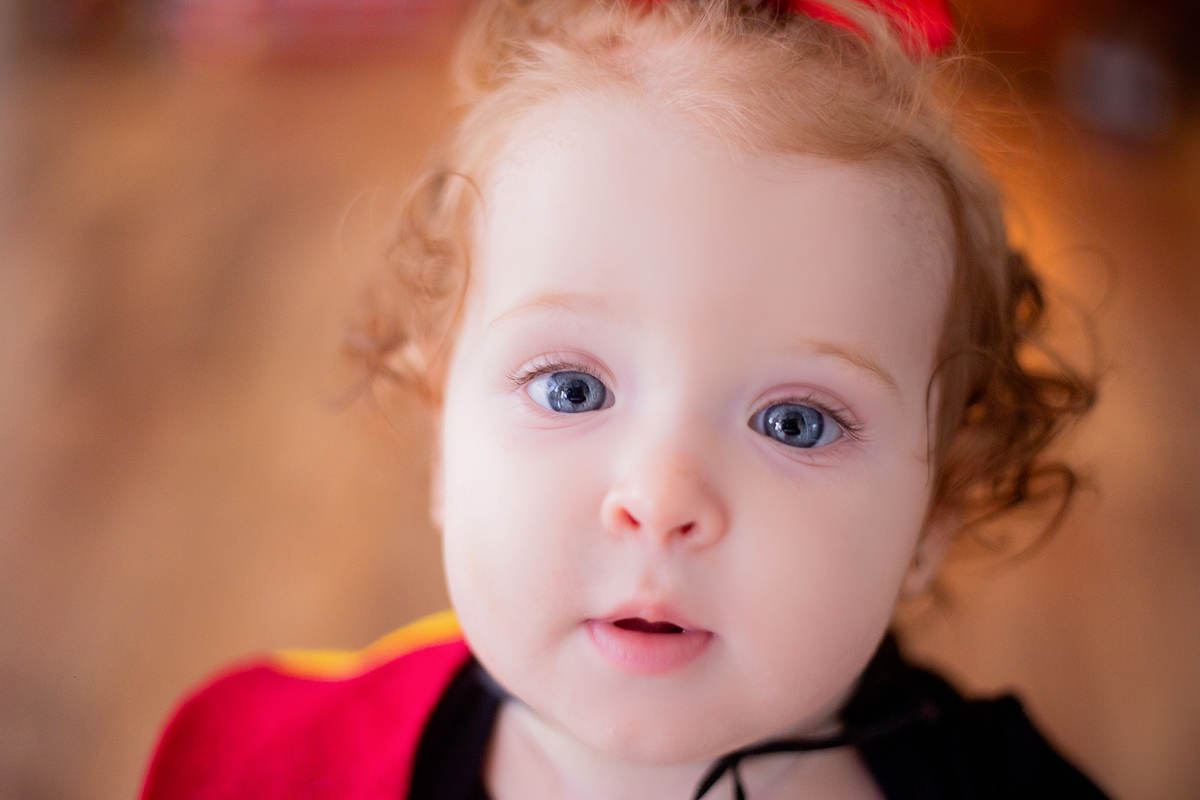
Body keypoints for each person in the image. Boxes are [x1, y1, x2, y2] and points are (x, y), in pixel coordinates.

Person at [140, 1, 1111, 798]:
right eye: (572, 388)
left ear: (934, 511)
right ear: (444, 434)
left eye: (794, 421)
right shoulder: (274, 768)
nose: (660, 497)